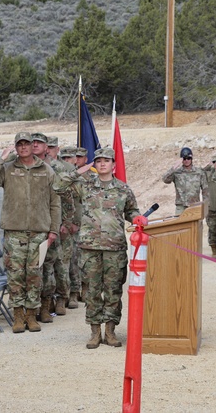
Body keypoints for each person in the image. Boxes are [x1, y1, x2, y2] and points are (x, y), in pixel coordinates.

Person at [0, 132, 63, 333]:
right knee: (16, 275)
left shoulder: (46, 170)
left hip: (38, 232)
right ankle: (17, 316)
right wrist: (1, 159)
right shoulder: (8, 169)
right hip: (14, 233)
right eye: (20, 145)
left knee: (34, 275)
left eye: (27, 144)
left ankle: (31, 316)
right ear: (15, 147)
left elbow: (55, 202)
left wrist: (53, 230)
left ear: (33, 146)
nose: (24, 147)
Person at [66, 146, 142, 349]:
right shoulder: (85, 185)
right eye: (98, 161)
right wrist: (77, 171)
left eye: (106, 161)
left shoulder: (123, 189)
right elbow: (58, 185)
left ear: (114, 165)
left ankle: (110, 330)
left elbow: (132, 210)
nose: (102, 164)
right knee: (91, 290)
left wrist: (137, 218)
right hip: (89, 248)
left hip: (114, 248)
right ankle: (94, 331)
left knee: (113, 291)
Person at [31, 133, 67, 322]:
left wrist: (64, 223)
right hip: (30, 226)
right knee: (31, 270)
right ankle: (32, 308)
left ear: (47, 147)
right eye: (32, 142)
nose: (35, 145)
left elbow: (64, 198)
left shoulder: (55, 168)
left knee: (49, 268)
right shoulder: (23, 164)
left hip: (49, 225)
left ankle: (48, 305)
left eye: (39, 143)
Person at [57, 146, 85, 309]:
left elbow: (80, 204)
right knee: (61, 261)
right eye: (64, 158)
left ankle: (74, 292)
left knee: (74, 259)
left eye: (70, 158)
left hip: (73, 225)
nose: (67, 161)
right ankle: (62, 294)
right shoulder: (60, 176)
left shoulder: (78, 179)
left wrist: (76, 222)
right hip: (58, 223)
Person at [162, 146, 206, 214]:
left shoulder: (199, 172)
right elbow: (165, 179)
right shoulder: (177, 172)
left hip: (194, 206)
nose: (186, 160)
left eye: (188, 158)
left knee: (196, 224)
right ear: (182, 160)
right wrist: (174, 167)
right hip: (181, 207)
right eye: (184, 159)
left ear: (191, 159)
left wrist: (205, 206)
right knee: (180, 225)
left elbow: (205, 190)